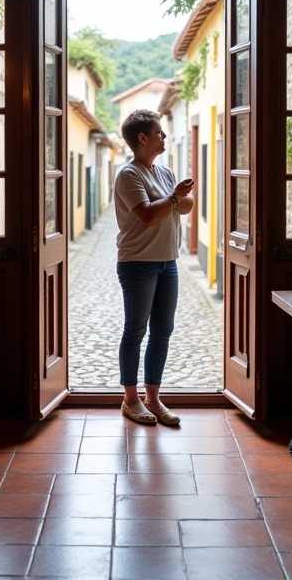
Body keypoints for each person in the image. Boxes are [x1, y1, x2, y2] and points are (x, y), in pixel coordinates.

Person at [113, 109, 195, 426]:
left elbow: (185, 206)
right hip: (137, 264)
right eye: (159, 132)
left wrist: (173, 200)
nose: (164, 136)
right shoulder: (129, 174)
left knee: (163, 332)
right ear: (142, 138)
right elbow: (147, 215)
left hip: (167, 262)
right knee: (135, 331)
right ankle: (130, 400)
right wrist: (173, 200)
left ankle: (154, 399)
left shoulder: (164, 173)